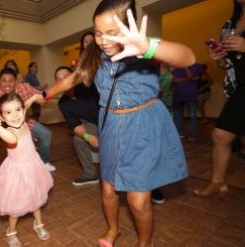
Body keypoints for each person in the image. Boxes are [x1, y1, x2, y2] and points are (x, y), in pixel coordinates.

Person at [43, 1, 195, 246]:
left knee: (137, 201)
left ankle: (145, 243)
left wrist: (147, 47)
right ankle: (113, 230)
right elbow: (72, 79)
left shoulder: (145, 49)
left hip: (143, 123)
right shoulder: (95, 55)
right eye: (98, 32)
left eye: (111, 33)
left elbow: (188, 57)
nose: (102, 40)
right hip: (111, 123)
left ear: (127, 26)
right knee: (108, 189)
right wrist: (44, 96)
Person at [0, 93, 53, 247]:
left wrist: (35, 96)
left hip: (33, 166)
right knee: (15, 205)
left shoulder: (22, 121)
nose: (15, 115)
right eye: (8, 112)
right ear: (2, 118)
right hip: (16, 172)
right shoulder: (9, 131)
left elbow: (26, 105)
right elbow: (12, 139)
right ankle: (11, 231)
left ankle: (39, 224)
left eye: (18, 110)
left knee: (36, 197)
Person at [194, 0, 245, 197]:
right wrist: (218, 57)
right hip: (241, 89)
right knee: (220, 135)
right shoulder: (229, 24)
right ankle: (218, 183)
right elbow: (227, 63)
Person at [0, 67, 55, 180]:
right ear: (0, 81)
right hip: (3, 127)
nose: (7, 83)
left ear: (16, 81)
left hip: (25, 122)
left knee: (46, 134)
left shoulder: (25, 87)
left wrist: (48, 94)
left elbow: (41, 96)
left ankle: (44, 163)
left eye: (11, 80)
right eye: (4, 80)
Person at [57, 66, 100, 186]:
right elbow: (75, 125)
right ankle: (90, 174)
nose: (63, 81)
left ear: (74, 76)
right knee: (79, 139)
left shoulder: (89, 87)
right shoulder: (63, 103)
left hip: (111, 118)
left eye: (65, 77)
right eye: (58, 79)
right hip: (93, 123)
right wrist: (88, 137)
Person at [172, 63, 203, 143]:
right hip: (178, 96)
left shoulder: (197, 66)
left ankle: (192, 136)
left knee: (192, 117)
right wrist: (189, 79)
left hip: (191, 96)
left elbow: (190, 75)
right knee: (178, 117)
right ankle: (179, 135)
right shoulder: (177, 66)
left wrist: (185, 67)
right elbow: (174, 80)